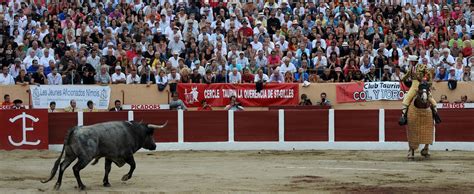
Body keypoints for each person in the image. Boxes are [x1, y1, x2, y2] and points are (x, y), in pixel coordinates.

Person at [400, 55, 441, 125]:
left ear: (414, 61)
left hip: (421, 85)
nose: (411, 62)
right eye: (411, 61)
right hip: (414, 85)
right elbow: (407, 75)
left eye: (411, 61)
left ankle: (436, 116)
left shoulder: (422, 66)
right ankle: (403, 117)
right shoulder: (411, 68)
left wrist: (427, 81)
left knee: (431, 100)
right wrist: (401, 78)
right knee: (406, 99)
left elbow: (429, 74)